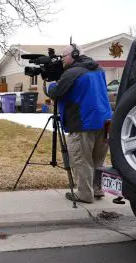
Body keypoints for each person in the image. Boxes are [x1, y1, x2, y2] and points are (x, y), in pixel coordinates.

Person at [47, 44, 112, 203]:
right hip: (104, 121)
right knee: (97, 159)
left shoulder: (72, 72)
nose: (62, 60)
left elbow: (56, 93)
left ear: (74, 54)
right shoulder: (99, 69)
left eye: (63, 57)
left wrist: (50, 84)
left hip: (83, 122)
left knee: (81, 160)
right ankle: (97, 190)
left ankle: (84, 194)